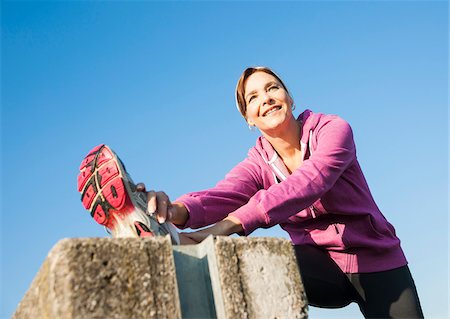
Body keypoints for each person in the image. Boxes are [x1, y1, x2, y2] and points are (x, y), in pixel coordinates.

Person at [77, 66, 423, 318]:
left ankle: (181, 241)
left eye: (273, 88)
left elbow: (310, 182)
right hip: (318, 266)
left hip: (379, 263)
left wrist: (229, 226)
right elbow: (223, 194)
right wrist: (174, 211)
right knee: (255, 260)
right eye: (253, 97)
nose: (266, 98)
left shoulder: (333, 130)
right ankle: (164, 235)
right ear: (248, 118)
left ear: (289, 96)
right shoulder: (259, 161)